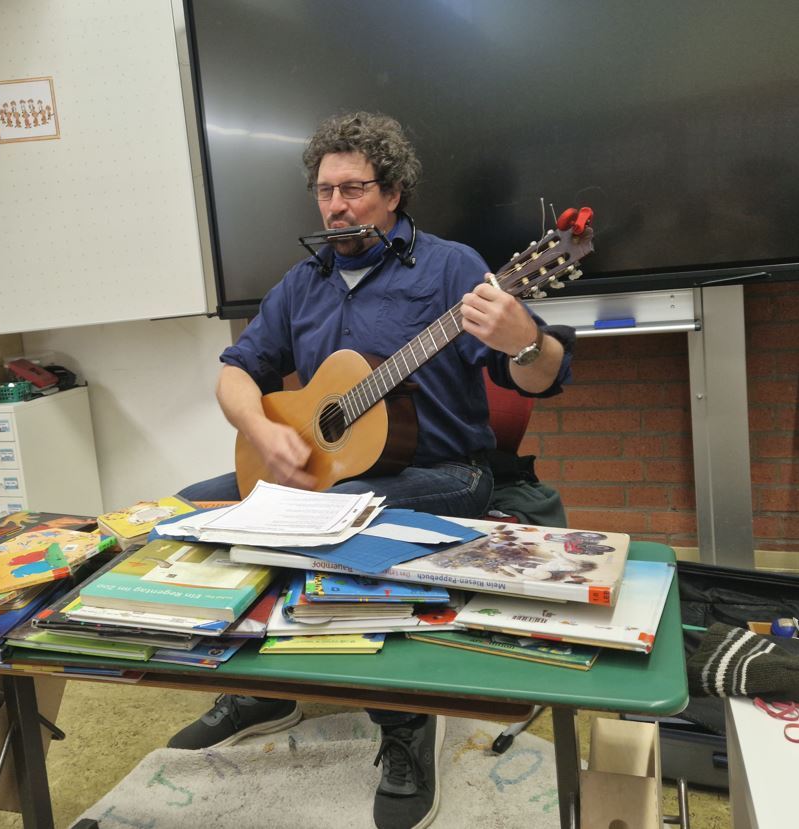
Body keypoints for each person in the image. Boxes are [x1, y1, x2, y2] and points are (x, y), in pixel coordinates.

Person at [170, 111, 574, 829]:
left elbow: (541, 377)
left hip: (449, 472)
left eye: (353, 189)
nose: (336, 205)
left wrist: (526, 341)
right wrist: (263, 430)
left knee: (336, 515)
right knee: (188, 514)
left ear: (392, 193)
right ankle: (262, 689)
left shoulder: (452, 269)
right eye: (325, 191)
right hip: (330, 475)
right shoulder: (302, 283)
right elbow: (235, 372)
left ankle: (406, 723)